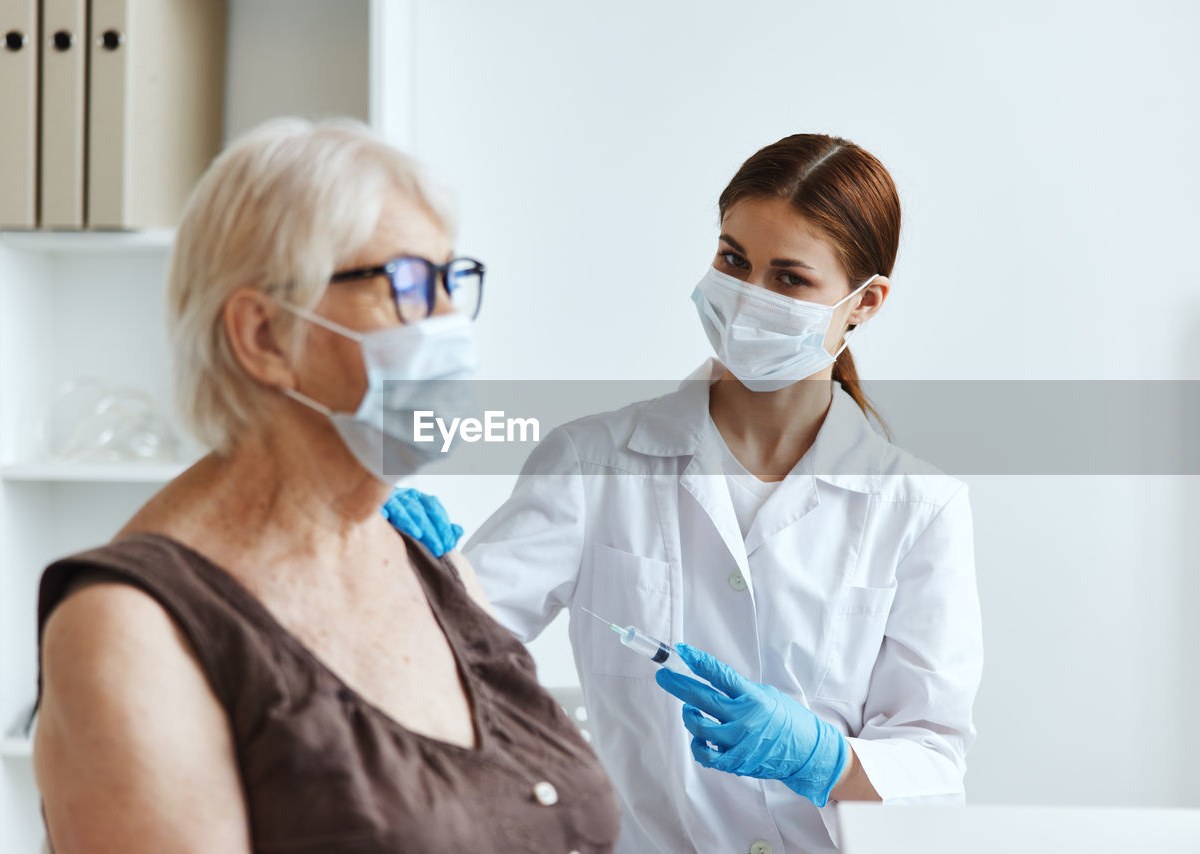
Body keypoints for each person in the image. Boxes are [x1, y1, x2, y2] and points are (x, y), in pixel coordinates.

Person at [31, 118, 620, 854]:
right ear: (265, 336)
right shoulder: (133, 627)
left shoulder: (431, 566)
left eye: (449, 281)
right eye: (404, 285)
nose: (448, 327)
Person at [389, 134, 983, 853]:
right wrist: (402, 571)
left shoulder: (920, 508)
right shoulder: (593, 462)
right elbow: (442, 650)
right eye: (734, 260)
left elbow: (933, 766)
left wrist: (820, 759)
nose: (747, 299)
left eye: (790, 279)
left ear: (865, 303)